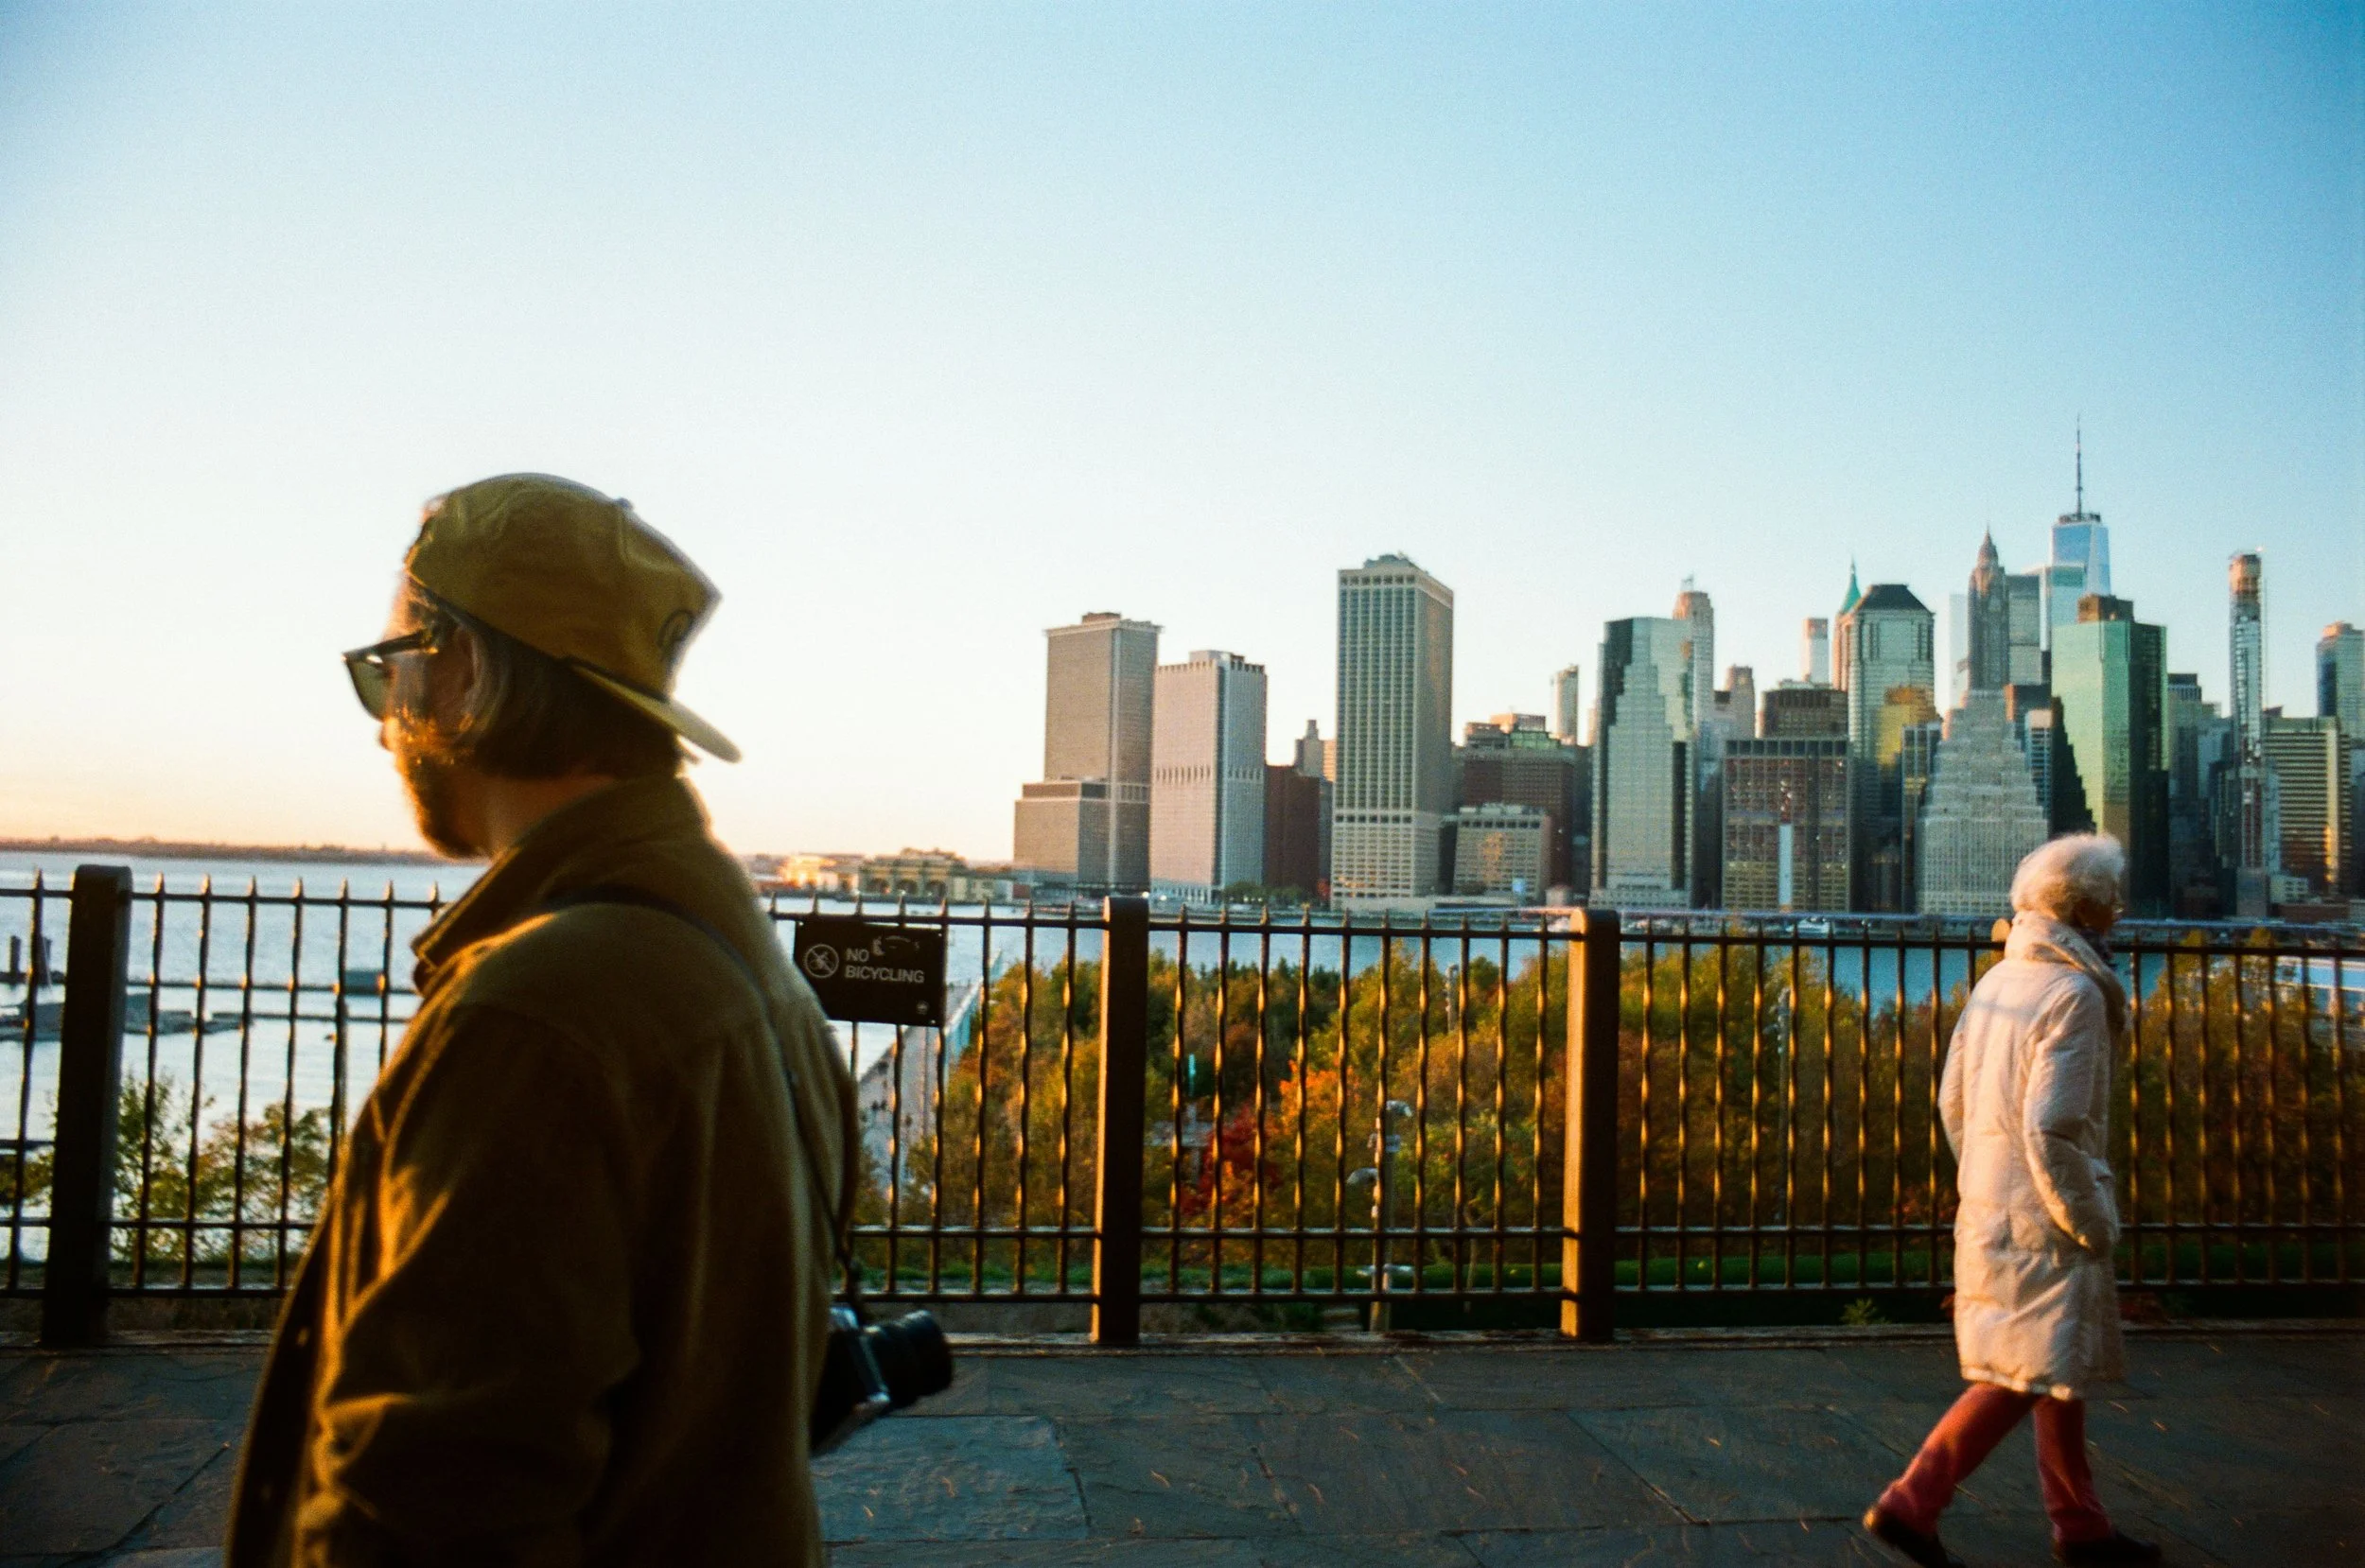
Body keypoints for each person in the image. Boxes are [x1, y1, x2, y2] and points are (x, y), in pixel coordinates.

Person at [226, 474, 854, 1565]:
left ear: (463, 669)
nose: (385, 728)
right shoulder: (744, 964)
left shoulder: (535, 1018)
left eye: (389, 671)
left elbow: (423, 1514)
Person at [1864, 834, 2160, 1568]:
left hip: (1997, 1202)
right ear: (2085, 906)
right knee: (2018, 1376)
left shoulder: (2002, 981)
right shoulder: (2077, 993)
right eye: (2112, 898)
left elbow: (1953, 1098)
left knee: (2054, 1367)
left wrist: (1985, 1176)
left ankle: (2080, 1525)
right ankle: (1912, 1501)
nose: (2120, 911)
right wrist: (2089, 1218)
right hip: (2049, 1214)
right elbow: (2054, 1127)